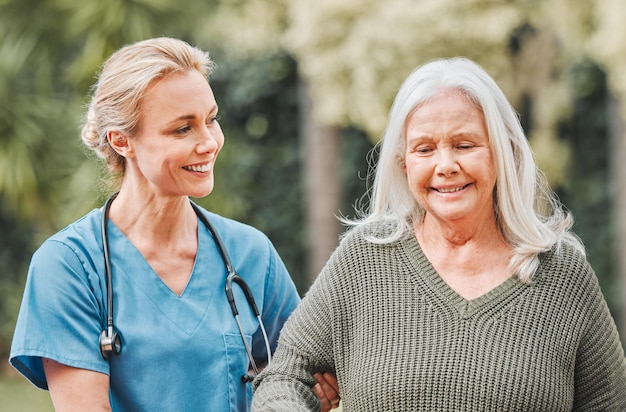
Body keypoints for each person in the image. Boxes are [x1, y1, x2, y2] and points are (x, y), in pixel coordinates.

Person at [252, 57, 626, 411]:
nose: (445, 166)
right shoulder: (363, 261)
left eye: (464, 145)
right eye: (425, 149)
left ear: (503, 152)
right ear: (404, 162)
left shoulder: (563, 274)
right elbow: (283, 376)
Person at [9, 37, 338, 411]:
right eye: (183, 129)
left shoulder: (250, 253)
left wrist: (300, 397)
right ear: (121, 141)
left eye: (211, 119)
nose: (209, 142)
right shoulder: (69, 267)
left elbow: (298, 378)